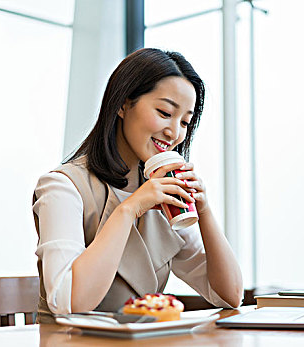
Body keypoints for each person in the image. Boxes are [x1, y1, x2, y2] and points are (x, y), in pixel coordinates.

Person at [32, 48, 243, 323]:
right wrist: (129, 209)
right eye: (165, 112)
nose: (175, 132)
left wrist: (204, 211)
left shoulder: (165, 194)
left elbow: (229, 295)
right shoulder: (62, 187)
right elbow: (70, 302)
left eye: (185, 122)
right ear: (122, 104)